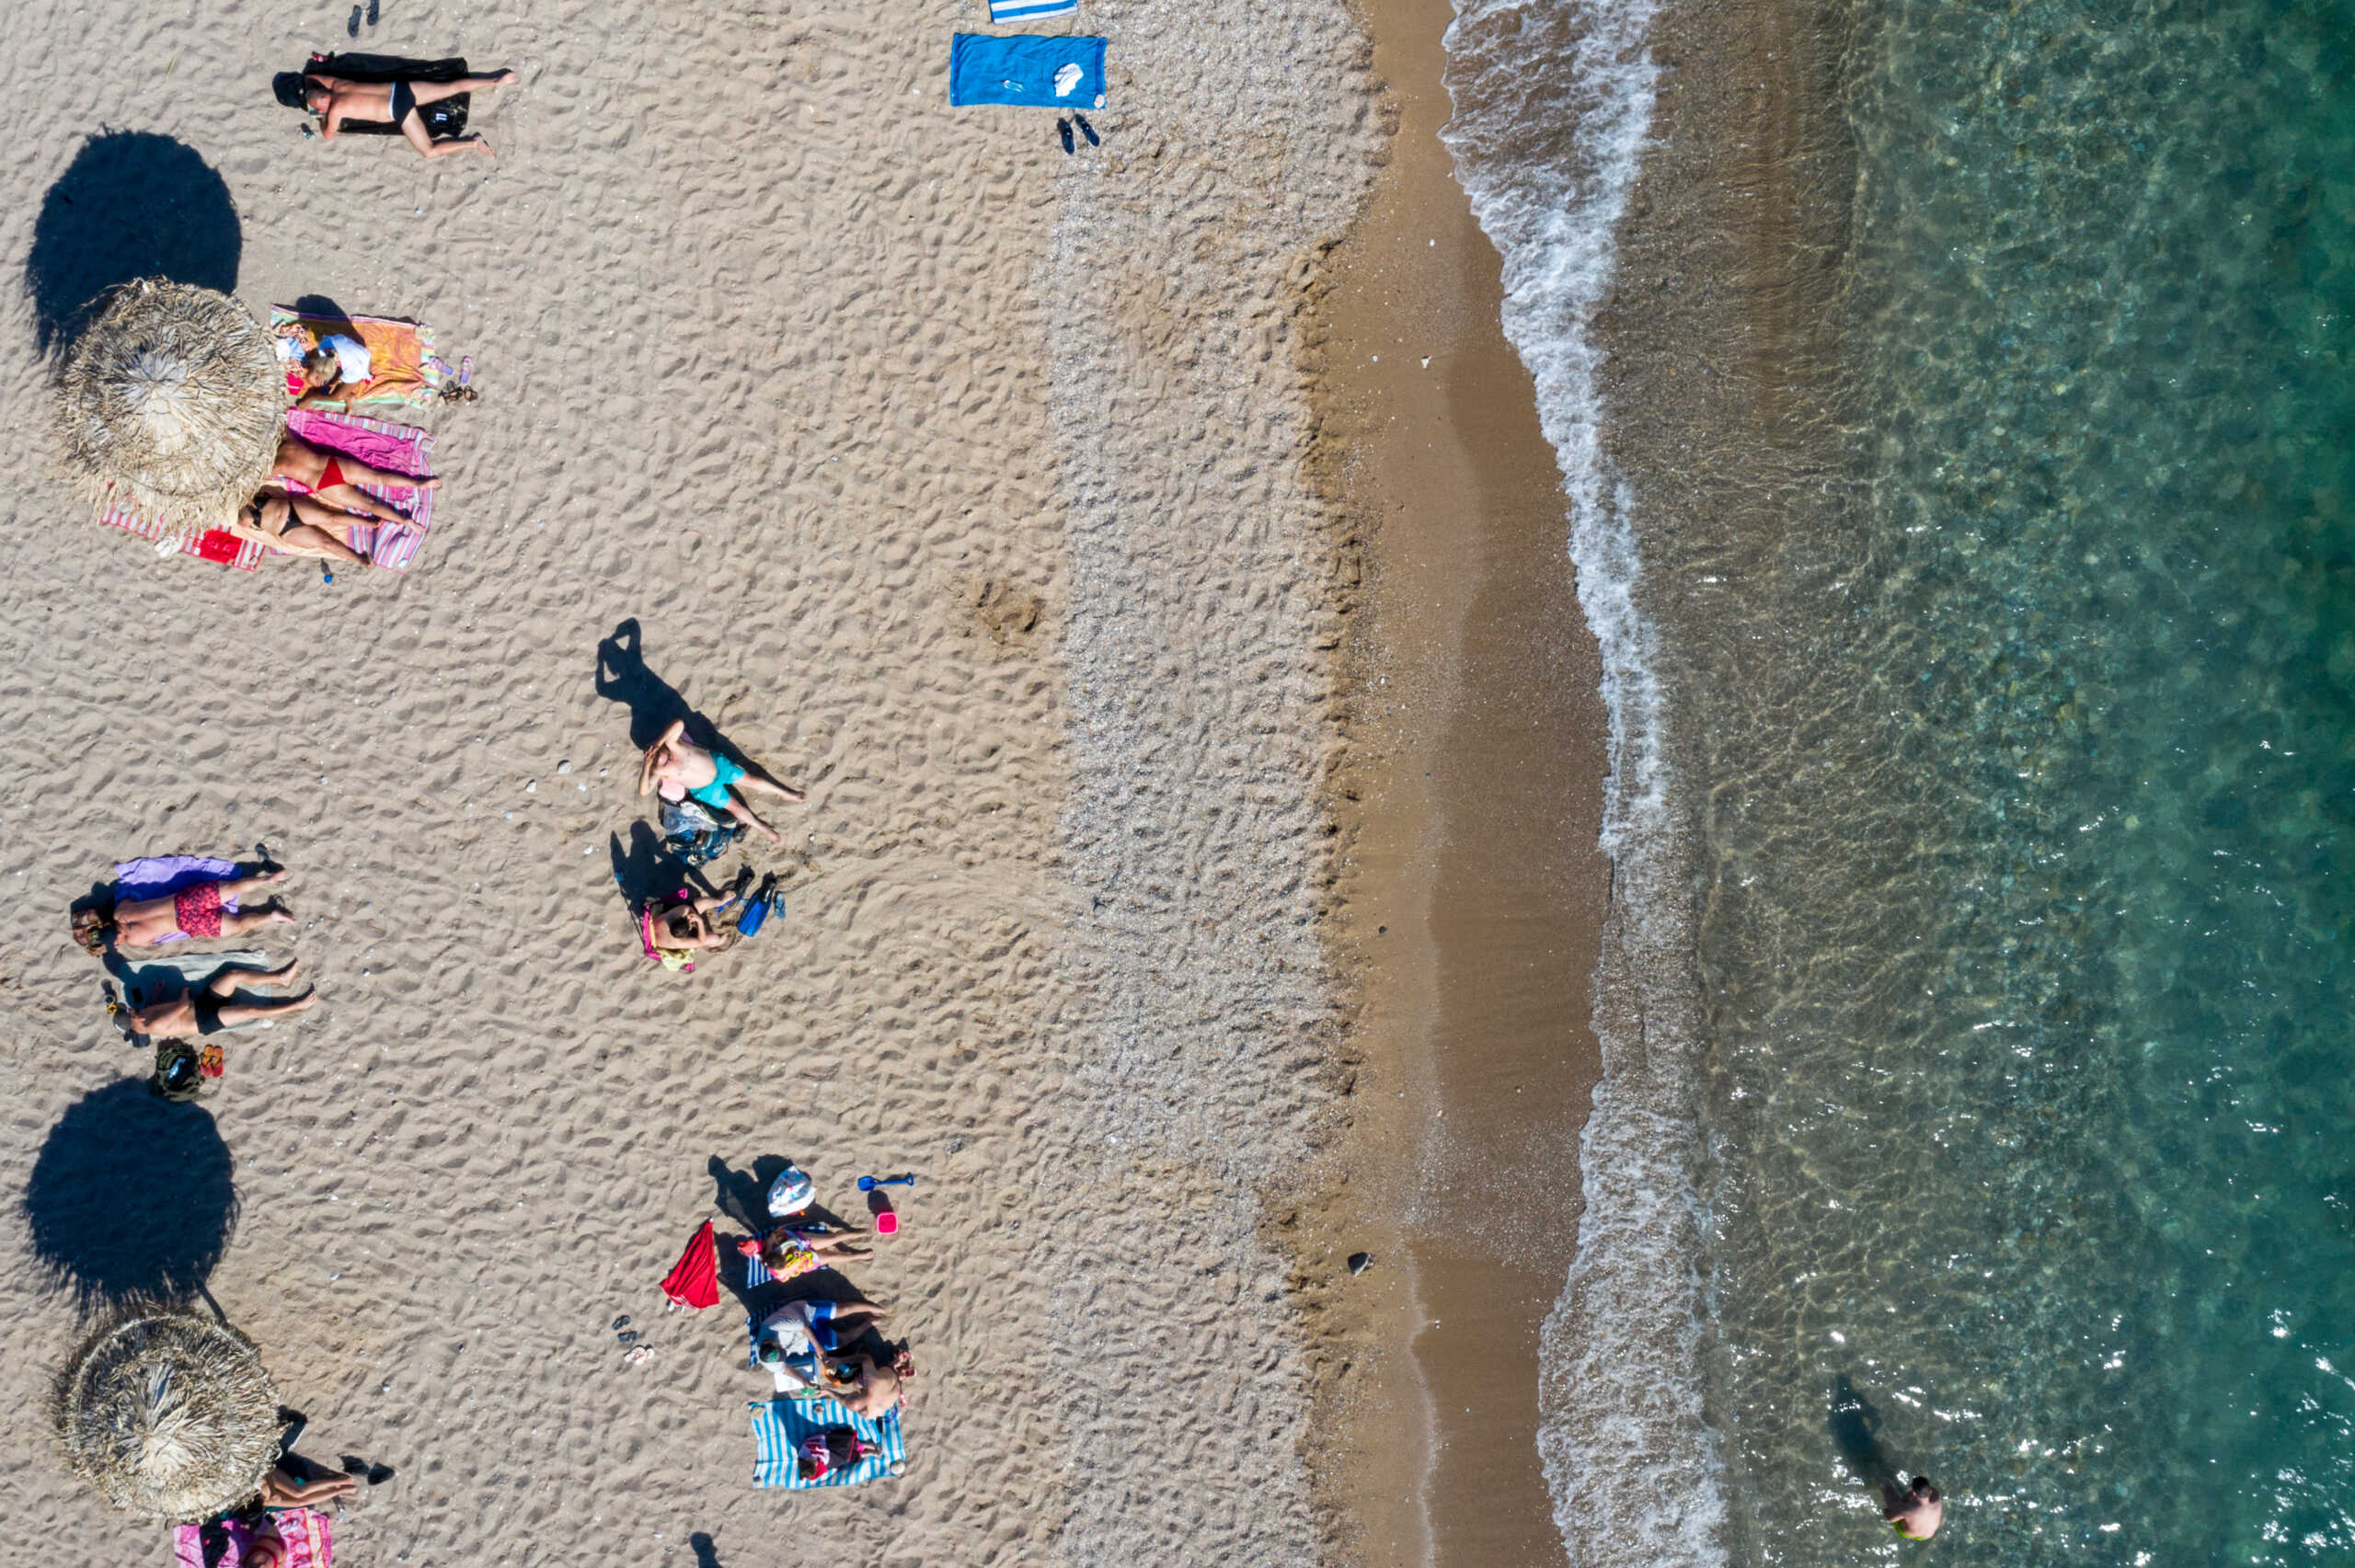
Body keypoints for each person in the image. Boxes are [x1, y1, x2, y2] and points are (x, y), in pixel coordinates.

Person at [638, 717, 803, 845]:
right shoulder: (660, 771)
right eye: (658, 761)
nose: (665, 761)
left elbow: (678, 724)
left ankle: (785, 793)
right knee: (736, 808)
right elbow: (644, 791)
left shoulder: (673, 744)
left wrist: (658, 742)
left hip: (719, 766)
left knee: (751, 780)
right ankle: (764, 829)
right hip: (707, 789)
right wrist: (646, 765)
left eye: (662, 756)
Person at [298, 68, 519, 160]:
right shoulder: (338, 84)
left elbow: (328, 135)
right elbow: (312, 77)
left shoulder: (336, 110)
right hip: (400, 90)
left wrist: (320, 117)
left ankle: (473, 143)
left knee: (429, 152)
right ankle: (495, 81)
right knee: (452, 87)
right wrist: (314, 91)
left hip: (399, 110)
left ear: (322, 105)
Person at [72, 871, 293, 953]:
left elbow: (154, 942)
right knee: (232, 901)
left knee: (234, 924)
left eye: (115, 942)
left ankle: (271, 914)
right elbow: (131, 894)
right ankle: (269, 884)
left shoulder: (136, 942)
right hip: (182, 904)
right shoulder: (122, 911)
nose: (117, 944)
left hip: (186, 921)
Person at [123, 958, 316, 1038]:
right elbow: (182, 1007)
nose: (133, 1009)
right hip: (206, 1020)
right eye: (131, 1012)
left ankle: (281, 979)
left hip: (202, 1002)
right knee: (251, 1011)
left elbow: (153, 1007)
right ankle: (297, 1005)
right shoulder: (152, 1026)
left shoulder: (142, 1013)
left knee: (233, 974)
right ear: (134, 1022)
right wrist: (183, 992)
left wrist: (157, 992)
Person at [270, 432, 435, 521]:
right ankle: (417, 484)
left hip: (323, 485)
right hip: (329, 464)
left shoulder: (275, 466)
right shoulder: (287, 439)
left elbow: (257, 478)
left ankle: (404, 521)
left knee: (369, 506)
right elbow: (280, 422)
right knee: (378, 477)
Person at [230, 490, 411, 569]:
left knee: (331, 517)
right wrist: (240, 509)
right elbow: (245, 521)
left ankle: (368, 522)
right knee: (326, 543)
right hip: (287, 531)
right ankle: (360, 559)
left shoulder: (247, 493)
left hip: (291, 508)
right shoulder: (238, 515)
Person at [1883, 1474, 1943, 1539]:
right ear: (1930, 1490)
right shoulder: (1936, 1496)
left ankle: (1884, 1484)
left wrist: (1885, 1511)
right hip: (1927, 1535)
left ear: (1914, 1493)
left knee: (1892, 1498)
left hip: (1908, 1534)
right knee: (1907, 1502)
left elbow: (1891, 1519)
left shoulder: (1909, 1510)